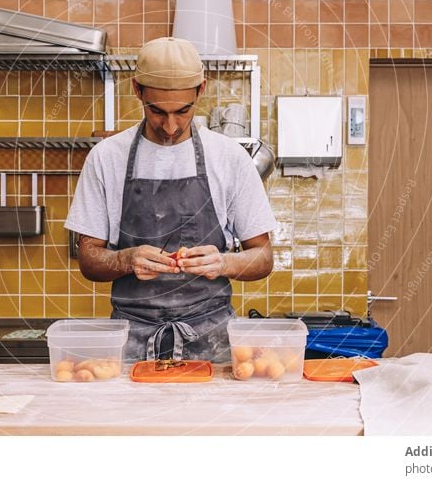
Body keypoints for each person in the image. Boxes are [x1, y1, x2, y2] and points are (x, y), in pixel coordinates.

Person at [64, 37, 276, 362]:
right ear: (137, 90)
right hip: (130, 343)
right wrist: (125, 259)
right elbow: (89, 257)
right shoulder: (107, 157)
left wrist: (224, 262)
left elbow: (262, 256)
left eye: (183, 111)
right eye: (157, 111)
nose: (171, 126)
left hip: (213, 341)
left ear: (201, 90)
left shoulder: (229, 158)